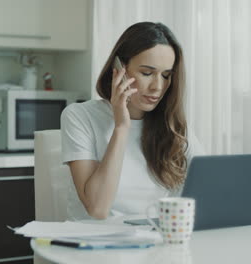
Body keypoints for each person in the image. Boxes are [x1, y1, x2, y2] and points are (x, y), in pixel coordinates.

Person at [61, 22, 204, 220]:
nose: (157, 87)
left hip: (152, 240)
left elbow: (208, 187)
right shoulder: (79, 116)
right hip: (94, 244)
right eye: (147, 73)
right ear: (119, 69)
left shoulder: (171, 125)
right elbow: (97, 209)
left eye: (166, 75)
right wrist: (121, 127)